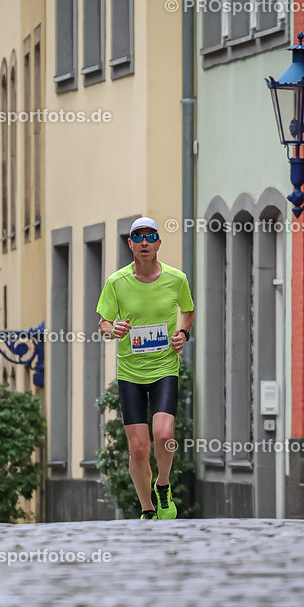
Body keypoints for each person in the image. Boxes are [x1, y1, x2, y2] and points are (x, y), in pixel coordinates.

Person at [96, 217, 194, 520]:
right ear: (130, 245)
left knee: (164, 435)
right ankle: (148, 508)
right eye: (138, 238)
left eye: (150, 237)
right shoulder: (116, 282)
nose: (144, 243)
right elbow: (103, 324)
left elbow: (187, 311)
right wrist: (115, 329)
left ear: (159, 243)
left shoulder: (176, 279)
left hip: (164, 367)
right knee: (139, 448)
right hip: (131, 374)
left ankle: (163, 485)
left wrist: (183, 334)